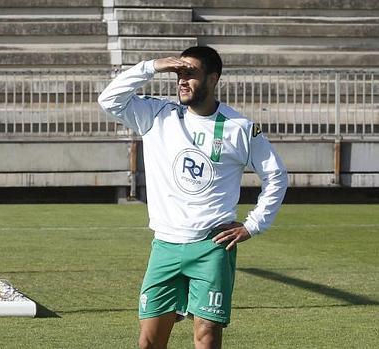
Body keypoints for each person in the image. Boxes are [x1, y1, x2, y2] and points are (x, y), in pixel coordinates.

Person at [98, 46, 288, 349]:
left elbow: (276, 175)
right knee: (149, 341)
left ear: (213, 79)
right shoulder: (158, 115)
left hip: (211, 247)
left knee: (207, 335)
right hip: (165, 245)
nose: (182, 81)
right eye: (178, 75)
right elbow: (108, 99)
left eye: (191, 74)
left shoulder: (239, 128)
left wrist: (253, 225)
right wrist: (151, 66)